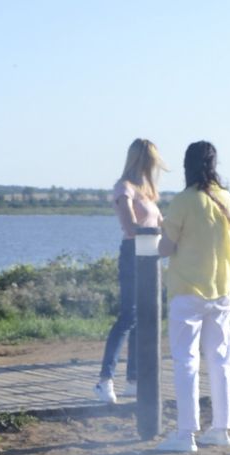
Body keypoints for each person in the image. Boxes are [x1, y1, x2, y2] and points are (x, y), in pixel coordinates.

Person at [156, 141, 230, 452]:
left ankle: (185, 433)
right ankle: (220, 428)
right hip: (223, 289)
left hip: (188, 289)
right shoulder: (226, 198)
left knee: (186, 360)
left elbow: (166, 247)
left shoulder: (183, 201)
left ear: (187, 165)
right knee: (220, 360)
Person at [95, 139, 164, 406]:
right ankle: (104, 380)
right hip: (133, 255)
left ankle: (133, 380)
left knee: (142, 318)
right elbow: (130, 227)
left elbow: (160, 223)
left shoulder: (147, 192)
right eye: (151, 163)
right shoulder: (124, 189)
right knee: (128, 317)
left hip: (151, 258)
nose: (153, 168)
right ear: (141, 161)